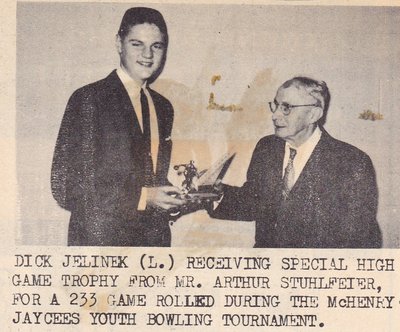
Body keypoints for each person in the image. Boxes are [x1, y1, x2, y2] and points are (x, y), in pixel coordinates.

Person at [51, 7, 185, 246]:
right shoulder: (88, 99)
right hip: (101, 252)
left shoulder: (164, 107)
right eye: (137, 44)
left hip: (152, 253)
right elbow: (65, 186)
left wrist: (171, 198)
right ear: (118, 44)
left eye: (157, 46)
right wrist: (144, 196)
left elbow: (149, 175)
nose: (148, 54)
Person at [210, 77, 382, 248]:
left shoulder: (352, 162)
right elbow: (255, 202)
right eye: (276, 105)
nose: (275, 115)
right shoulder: (267, 147)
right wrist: (215, 193)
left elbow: (361, 239)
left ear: (313, 115)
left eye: (286, 108)